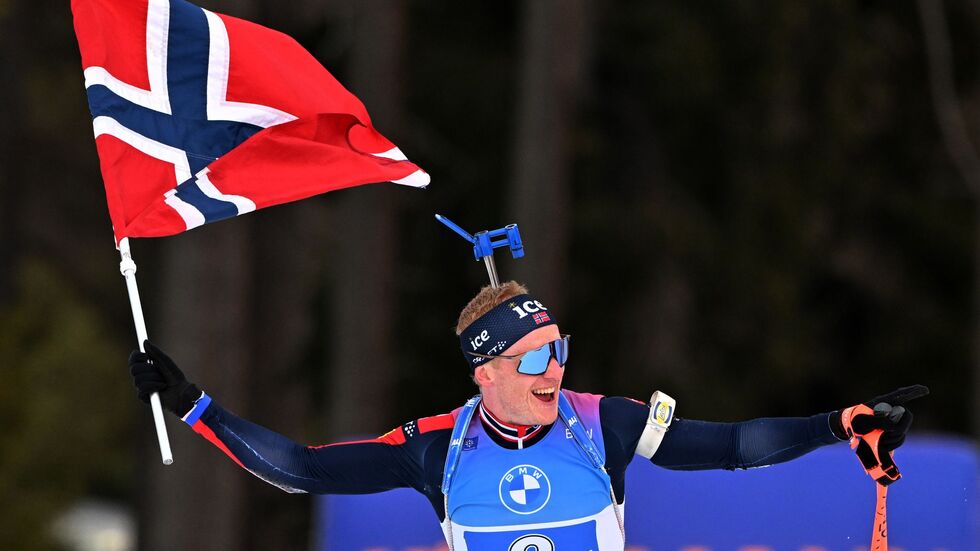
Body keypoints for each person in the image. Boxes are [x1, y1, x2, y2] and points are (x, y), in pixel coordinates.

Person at [130, 281, 925, 550]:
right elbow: (302, 469)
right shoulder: (436, 449)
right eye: (536, 356)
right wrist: (193, 403)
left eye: (560, 347)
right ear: (486, 372)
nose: (557, 369)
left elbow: (733, 446)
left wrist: (838, 423)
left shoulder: (603, 423)